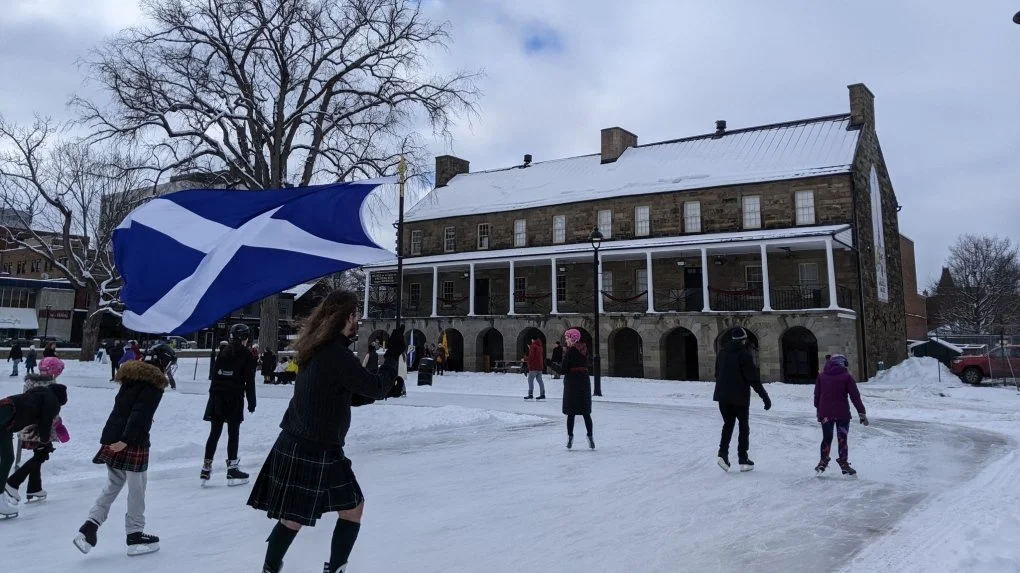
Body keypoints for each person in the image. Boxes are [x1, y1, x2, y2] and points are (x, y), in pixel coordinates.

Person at [247, 290, 404, 573]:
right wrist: (392, 356)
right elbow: (372, 386)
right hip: (315, 447)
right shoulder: (336, 353)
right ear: (346, 317)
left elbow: (345, 393)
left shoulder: (320, 346)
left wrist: (384, 390)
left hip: (299, 441)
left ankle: (271, 568)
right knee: (349, 509)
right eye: (356, 315)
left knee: (294, 517)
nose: (358, 320)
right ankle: (332, 570)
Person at [73, 344, 175, 557]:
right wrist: (127, 440)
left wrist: (114, 439)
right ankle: (135, 534)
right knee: (137, 490)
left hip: (113, 437)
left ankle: (90, 527)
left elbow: (121, 409)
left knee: (113, 485)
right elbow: (140, 413)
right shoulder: (154, 383)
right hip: (132, 441)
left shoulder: (132, 377)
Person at [5, 357, 69, 504]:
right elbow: (51, 411)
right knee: (42, 452)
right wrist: (57, 424)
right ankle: (13, 482)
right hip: (42, 425)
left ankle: (35, 487)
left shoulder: (30, 382)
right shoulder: (52, 385)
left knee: (39, 454)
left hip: (26, 424)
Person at [201, 325, 257, 486]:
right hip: (234, 397)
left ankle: (206, 467)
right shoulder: (246, 355)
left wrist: (213, 397)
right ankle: (232, 468)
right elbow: (249, 381)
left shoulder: (223, 352)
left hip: (218, 396)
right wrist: (252, 402)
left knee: (214, 432)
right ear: (244, 337)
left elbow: (215, 376)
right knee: (233, 432)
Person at [713, 327, 771, 472]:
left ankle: (723, 453)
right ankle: (743, 457)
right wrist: (765, 397)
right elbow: (752, 379)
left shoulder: (722, 353)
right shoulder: (744, 355)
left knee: (728, 424)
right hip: (739, 396)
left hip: (722, 396)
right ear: (743, 340)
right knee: (743, 425)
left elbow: (716, 373)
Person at [814, 354, 868, 477]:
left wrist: (819, 412)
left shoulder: (821, 377)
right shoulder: (847, 377)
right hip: (842, 413)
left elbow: (816, 396)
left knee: (826, 437)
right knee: (842, 439)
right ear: (843, 363)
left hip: (825, 413)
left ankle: (823, 461)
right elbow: (855, 397)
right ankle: (844, 463)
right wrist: (861, 413)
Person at [558, 329, 594, 450]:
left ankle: (570, 437)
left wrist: (548, 363)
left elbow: (563, 370)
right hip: (584, 382)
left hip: (572, 383)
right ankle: (590, 436)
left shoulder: (570, 351)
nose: (566, 340)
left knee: (571, 413)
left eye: (568, 338)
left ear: (574, 339)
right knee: (586, 413)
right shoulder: (584, 350)